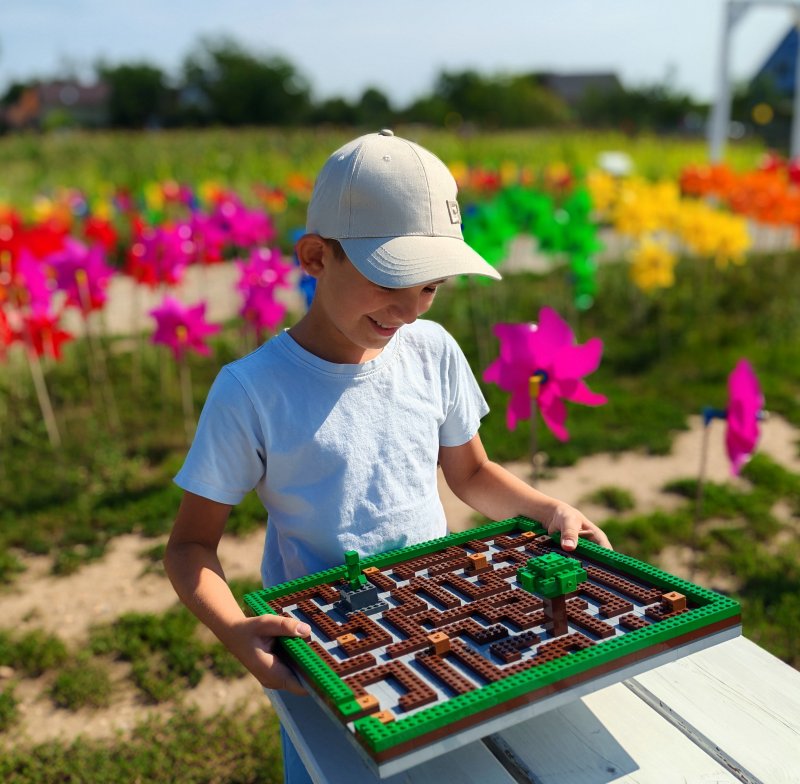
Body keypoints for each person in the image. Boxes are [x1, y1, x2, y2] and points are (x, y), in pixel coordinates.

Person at [164, 129, 611, 783]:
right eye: (388, 280)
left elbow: (472, 473)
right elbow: (189, 547)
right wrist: (235, 629)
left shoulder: (431, 351)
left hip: (437, 620)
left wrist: (548, 509)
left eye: (429, 287)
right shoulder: (252, 391)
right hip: (321, 647)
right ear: (316, 256)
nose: (408, 308)